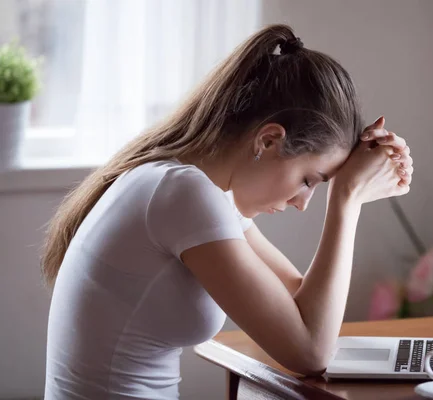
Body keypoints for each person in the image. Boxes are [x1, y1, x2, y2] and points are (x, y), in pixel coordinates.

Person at [41, 24, 413, 399]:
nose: (303, 203)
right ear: (268, 140)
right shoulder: (185, 194)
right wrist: (346, 199)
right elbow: (309, 350)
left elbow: (300, 303)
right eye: (309, 180)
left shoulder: (185, 186)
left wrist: (351, 187)